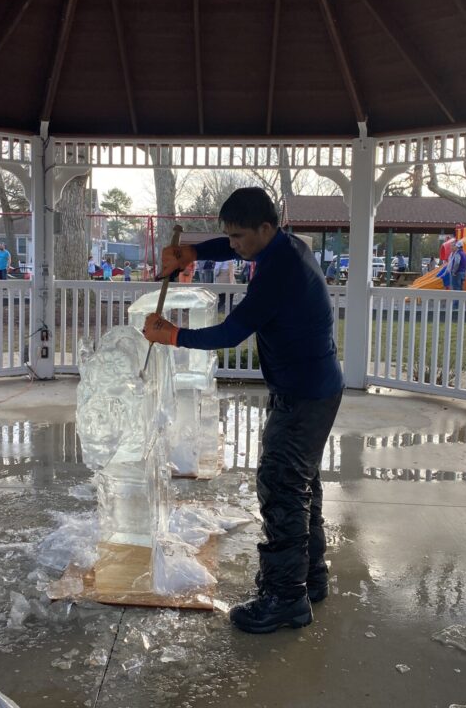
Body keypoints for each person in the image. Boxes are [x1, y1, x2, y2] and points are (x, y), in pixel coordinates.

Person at [142, 187, 342, 634]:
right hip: (316, 387)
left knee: (281, 486)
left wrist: (172, 336)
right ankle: (310, 576)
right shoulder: (283, 246)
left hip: (303, 393)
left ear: (265, 228)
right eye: (227, 237)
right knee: (301, 482)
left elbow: (231, 332)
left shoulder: (280, 271)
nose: (232, 246)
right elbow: (229, 249)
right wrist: (192, 251)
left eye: (238, 238)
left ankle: (286, 598)